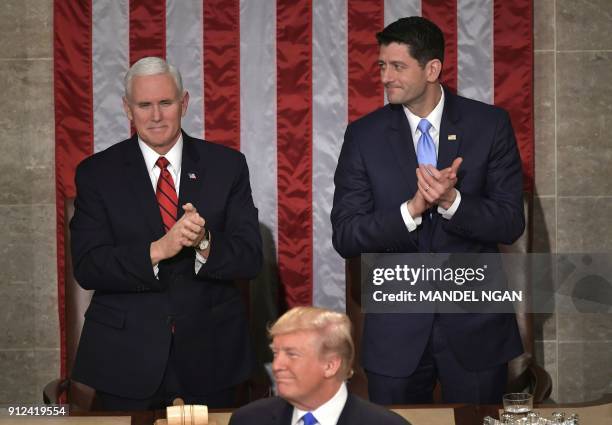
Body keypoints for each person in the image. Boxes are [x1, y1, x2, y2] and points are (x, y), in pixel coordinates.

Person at [331, 17, 525, 404]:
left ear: (432, 68)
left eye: (398, 66)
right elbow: (346, 235)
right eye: (382, 66)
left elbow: (510, 222)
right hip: (396, 335)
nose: (386, 77)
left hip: (476, 330)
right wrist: (411, 209)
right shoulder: (363, 136)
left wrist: (453, 203)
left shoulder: (489, 125)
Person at [70, 57, 262, 410]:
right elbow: (88, 265)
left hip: (213, 354)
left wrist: (204, 243)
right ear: (128, 109)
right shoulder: (97, 173)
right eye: (144, 105)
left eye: (165, 103)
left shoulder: (227, 166)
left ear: (184, 103)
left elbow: (250, 257)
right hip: (124, 357)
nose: (156, 115)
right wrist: (158, 249)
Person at [229, 307, 409, 425]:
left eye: (292, 354)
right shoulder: (247, 420)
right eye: (276, 353)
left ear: (330, 365)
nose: (276, 366)